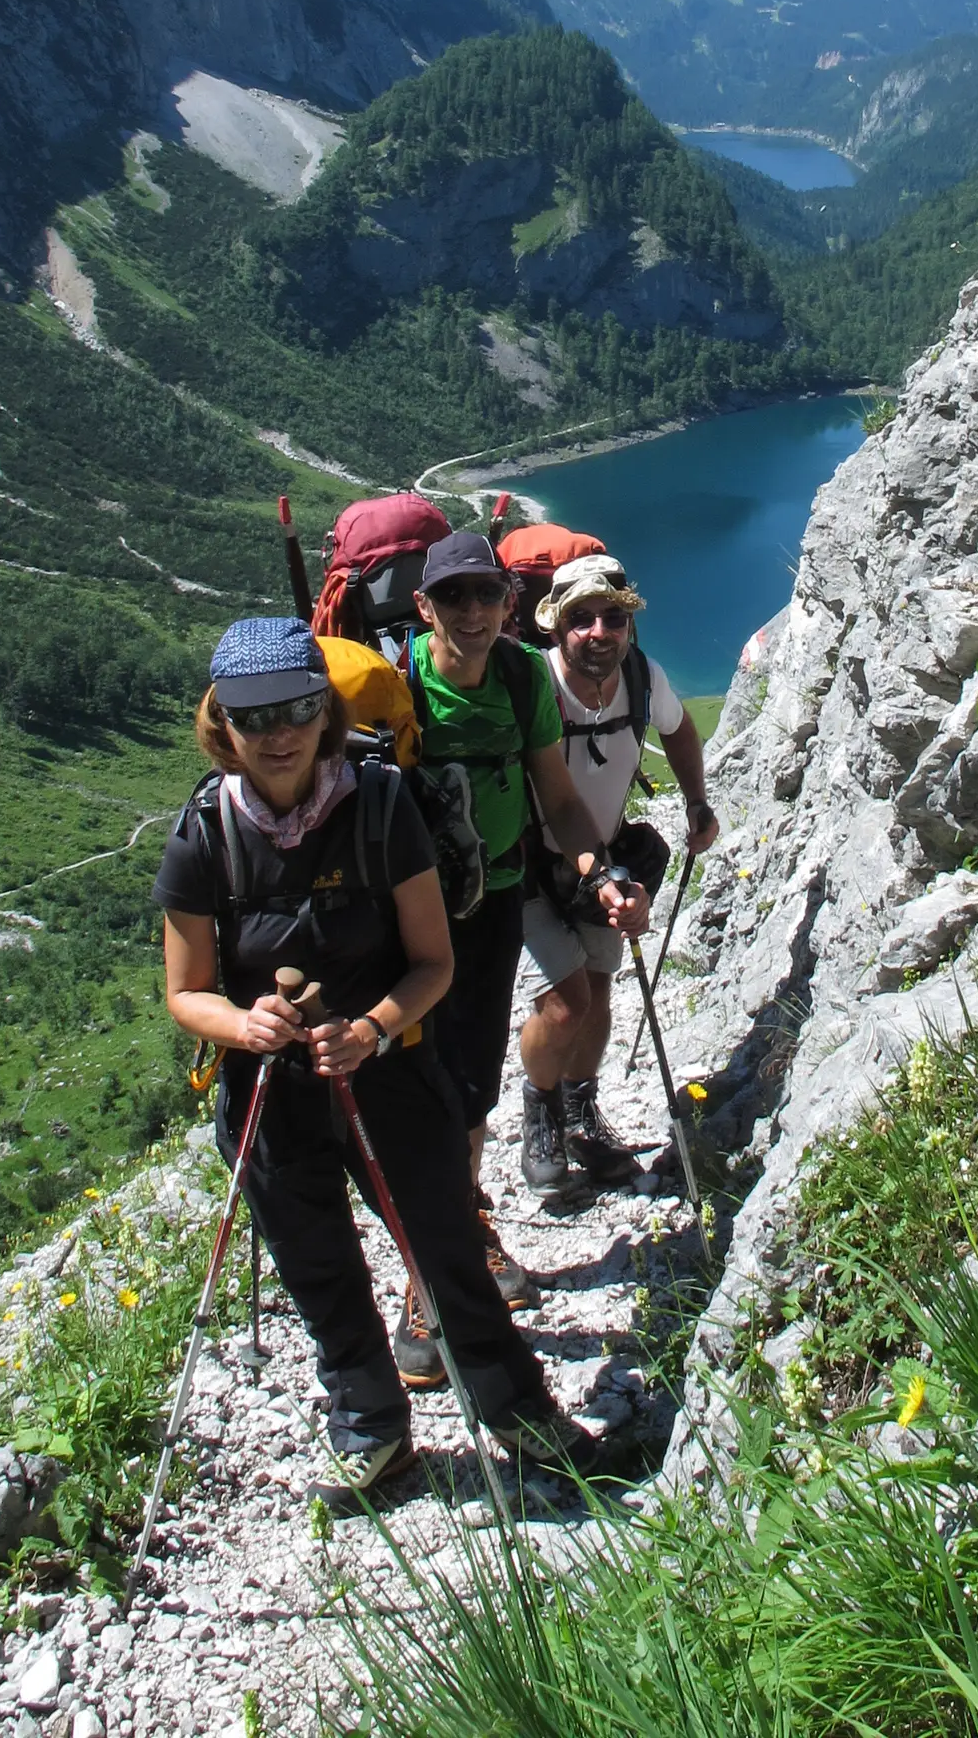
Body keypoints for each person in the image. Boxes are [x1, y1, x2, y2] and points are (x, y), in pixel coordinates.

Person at [155, 616, 590, 1495]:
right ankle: (372, 1431)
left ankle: (520, 1416)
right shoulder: (205, 829)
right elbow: (185, 991)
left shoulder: (383, 804)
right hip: (271, 1087)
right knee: (317, 1263)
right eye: (254, 715)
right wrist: (245, 1027)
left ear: (324, 713)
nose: (277, 733)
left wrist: (373, 1028)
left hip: (388, 1071)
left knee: (443, 1247)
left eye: (298, 708)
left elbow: (436, 962)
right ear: (222, 725)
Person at [398, 532, 607, 1378]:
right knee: (417, 1093)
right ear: (425, 607)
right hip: (403, 925)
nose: (474, 612)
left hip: (491, 908)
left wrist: (599, 872)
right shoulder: (395, 687)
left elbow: (556, 794)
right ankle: (426, 1275)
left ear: (508, 603)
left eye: (486, 595)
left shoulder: (523, 680)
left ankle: (465, 1228)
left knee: (473, 1087)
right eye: (455, 599)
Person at [519, 552, 720, 1194]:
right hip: (531, 866)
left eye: (613, 618)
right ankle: (542, 1115)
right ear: (557, 626)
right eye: (582, 619)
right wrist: (606, 876)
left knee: (599, 993)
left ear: (629, 628)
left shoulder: (643, 678)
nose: (599, 632)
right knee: (565, 1001)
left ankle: (580, 1112)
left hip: (601, 857)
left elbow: (682, 731)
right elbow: (556, 801)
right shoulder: (535, 687)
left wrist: (696, 800)